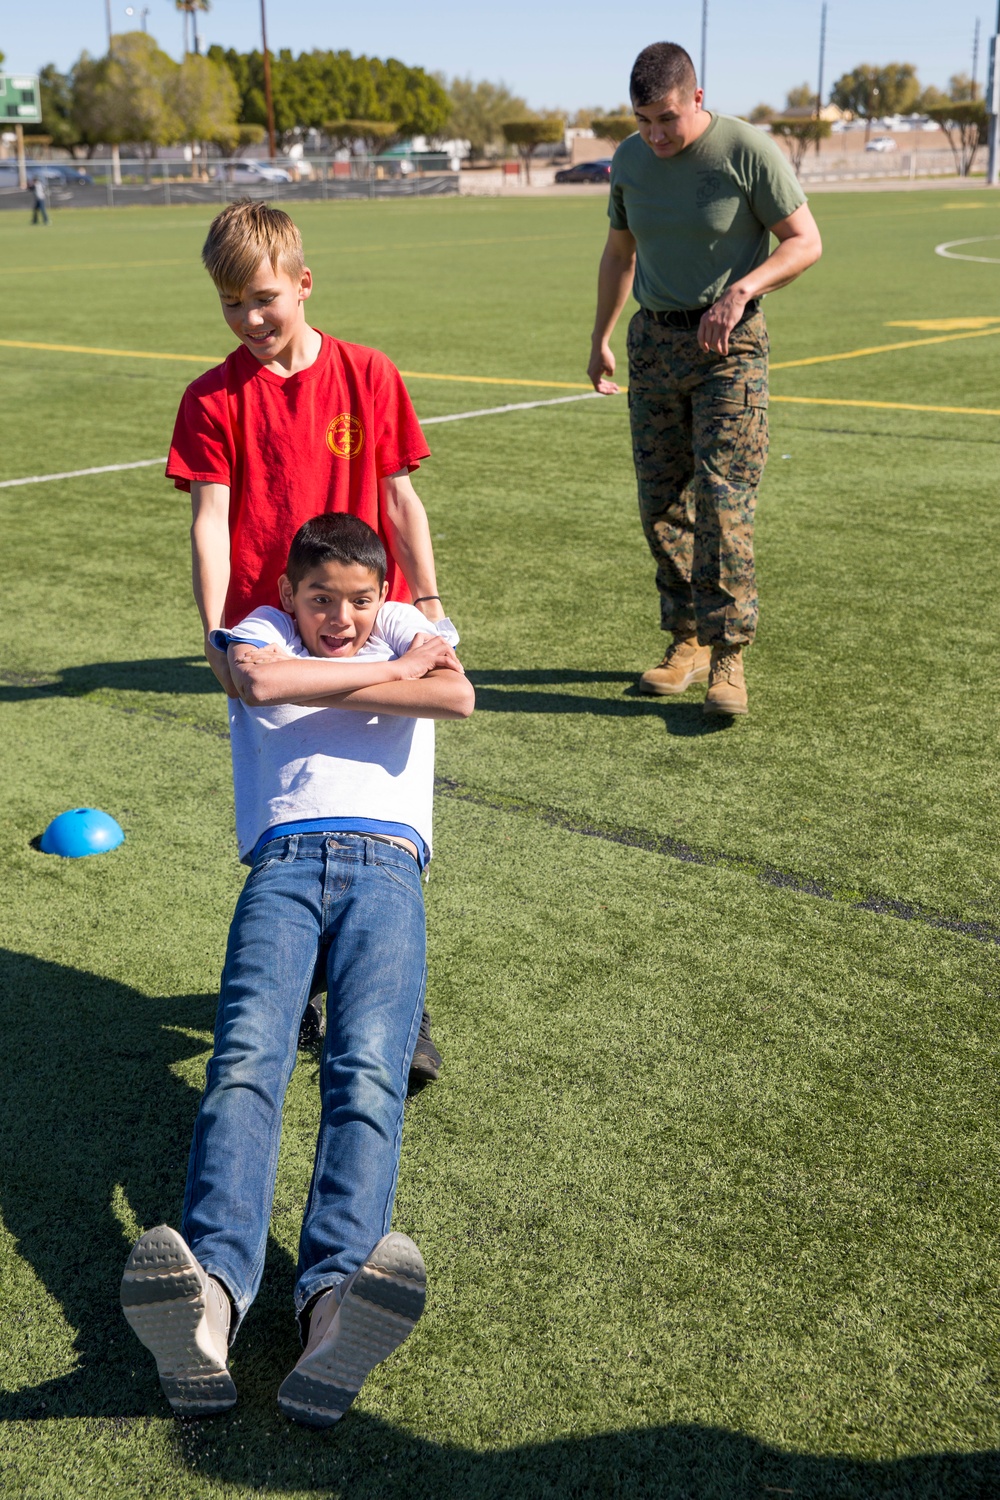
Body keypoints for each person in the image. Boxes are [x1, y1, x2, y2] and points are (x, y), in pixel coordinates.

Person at [120, 513, 475, 1427]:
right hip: (283, 867)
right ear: (289, 594)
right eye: (322, 599)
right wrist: (393, 674)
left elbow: (457, 698)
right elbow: (259, 677)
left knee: (367, 1072)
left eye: (360, 600)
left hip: (390, 871)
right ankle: (211, 1300)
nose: (343, 616)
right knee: (246, 1060)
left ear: (383, 595)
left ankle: (332, 1310)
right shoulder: (266, 627)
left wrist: (378, 670)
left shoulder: (397, 622)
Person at [167, 198, 450, 1080]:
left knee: (388, 817)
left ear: (303, 283)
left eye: (263, 299)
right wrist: (218, 633)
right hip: (276, 643)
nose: (249, 320)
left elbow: (401, 498)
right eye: (230, 305)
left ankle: (400, 1011)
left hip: (369, 625)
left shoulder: (370, 375)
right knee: (290, 815)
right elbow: (211, 521)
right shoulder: (212, 397)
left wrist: (431, 606)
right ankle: (303, 989)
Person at [588, 41, 822, 716]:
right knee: (661, 503)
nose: (656, 134)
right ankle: (684, 639)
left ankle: (729, 655)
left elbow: (805, 240)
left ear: (695, 96)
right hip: (653, 345)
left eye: (666, 117)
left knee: (723, 501)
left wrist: (741, 290)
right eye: (643, 120)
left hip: (730, 347)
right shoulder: (630, 161)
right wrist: (601, 337)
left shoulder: (745, 148)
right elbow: (618, 252)